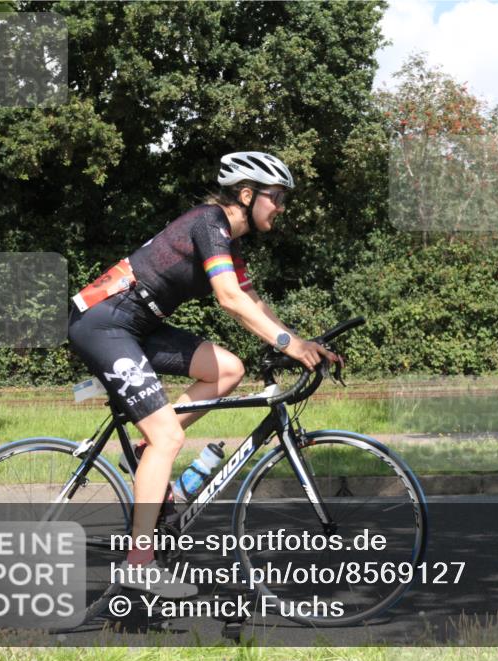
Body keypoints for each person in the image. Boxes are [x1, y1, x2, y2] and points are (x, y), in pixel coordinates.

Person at [67, 151, 340, 598]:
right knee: (169, 440)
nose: (282, 207)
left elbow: (253, 304)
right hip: (104, 321)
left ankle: (145, 446)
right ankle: (139, 563)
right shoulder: (209, 222)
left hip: (139, 325)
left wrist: (299, 342)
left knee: (229, 368)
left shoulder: (228, 242)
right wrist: (288, 344)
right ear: (247, 195)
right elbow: (229, 299)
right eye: (277, 197)